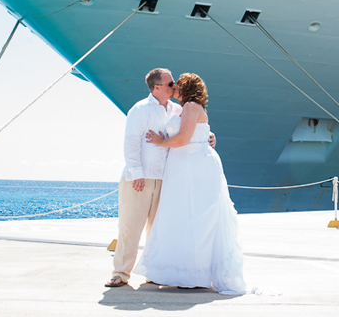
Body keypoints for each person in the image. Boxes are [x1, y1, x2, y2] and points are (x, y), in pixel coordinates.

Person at [136, 73, 247, 294]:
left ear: (185, 88)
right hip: (188, 166)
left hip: (192, 167)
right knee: (191, 216)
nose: (174, 86)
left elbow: (184, 138)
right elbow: (199, 132)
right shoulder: (190, 108)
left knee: (193, 217)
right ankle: (191, 272)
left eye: (177, 84)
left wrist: (160, 141)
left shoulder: (189, 107)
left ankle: (192, 274)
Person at [105, 68, 214, 288]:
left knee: (158, 229)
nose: (175, 86)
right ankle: (120, 273)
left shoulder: (177, 109)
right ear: (157, 87)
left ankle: (154, 272)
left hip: (167, 179)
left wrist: (210, 137)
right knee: (130, 227)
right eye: (171, 83)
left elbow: (194, 128)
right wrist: (136, 173)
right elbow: (131, 142)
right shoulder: (140, 109)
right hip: (141, 178)